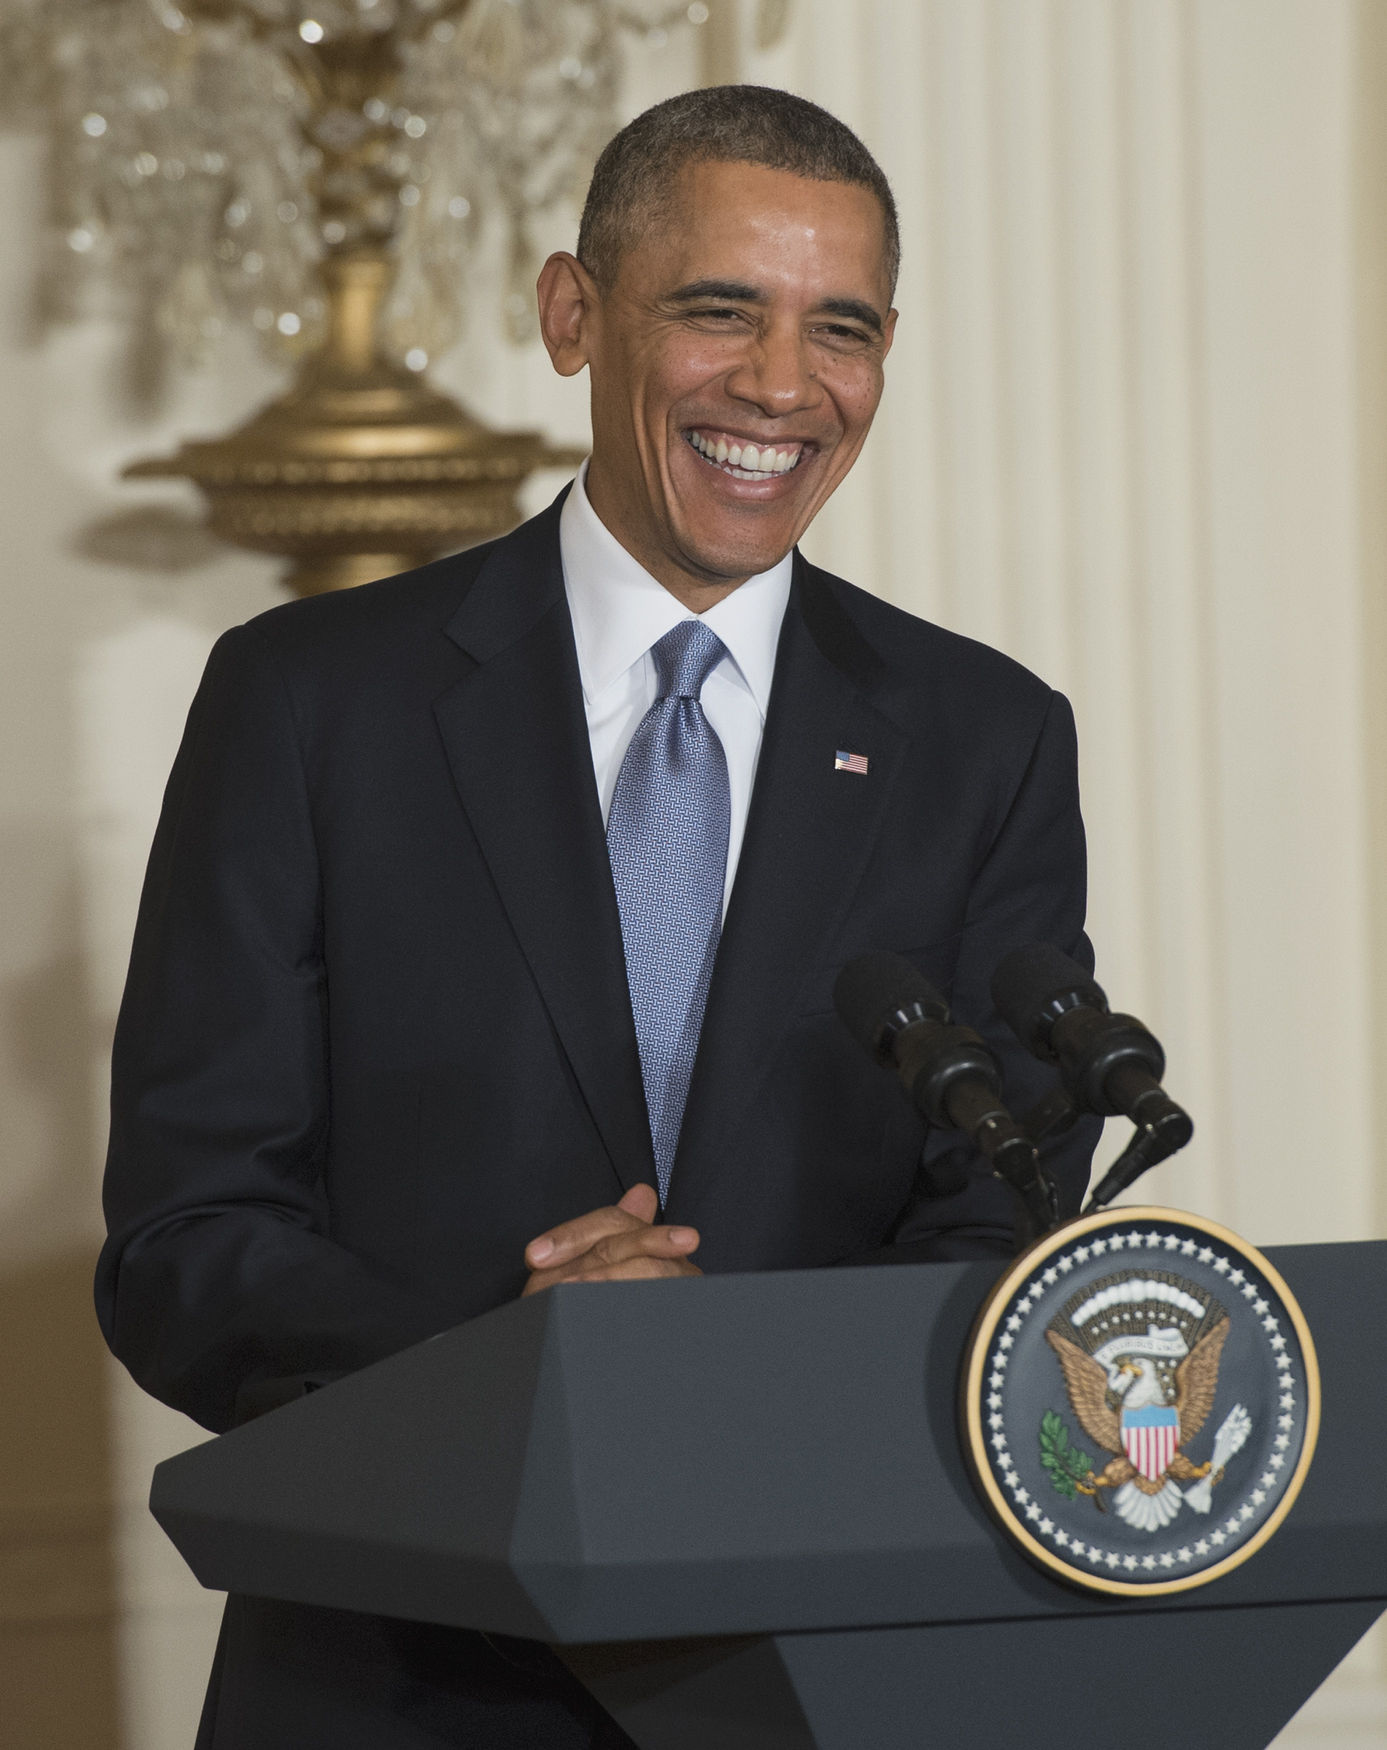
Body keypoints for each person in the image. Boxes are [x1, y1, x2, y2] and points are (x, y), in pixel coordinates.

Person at [96, 86, 1099, 1749]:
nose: (781, 384)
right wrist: (511, 1365)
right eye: (720, 309)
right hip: (399, 1678)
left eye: (840, 328)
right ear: (574, 315)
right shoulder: (308, 704)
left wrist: (720, 1381)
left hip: (824, 1676)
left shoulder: (985, 740)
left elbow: (1002, 1223)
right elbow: (183, 1242)